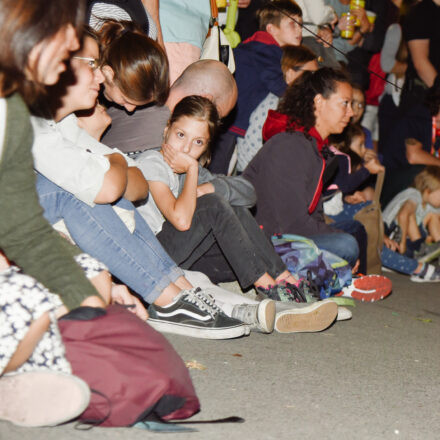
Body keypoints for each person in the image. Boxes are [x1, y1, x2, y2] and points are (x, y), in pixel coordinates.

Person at [31, 28, 248, 339]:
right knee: (78, 194)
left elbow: (137, 186)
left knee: (110, 193)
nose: (102, 76)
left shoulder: (64, 125)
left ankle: (178, 289)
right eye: (92, 64)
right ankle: (166, 297)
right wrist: (116, 164)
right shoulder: (25, 119)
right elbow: (110, 184)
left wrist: (115, 168)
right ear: (57, 63)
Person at [138, 94, 339, 332]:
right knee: (214, 205)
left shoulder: (195, 173)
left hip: (188, 258)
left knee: (233, 206)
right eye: (180, 135)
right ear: (167, 129)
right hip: (151, 256)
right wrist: (192, 169)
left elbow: (249, 193)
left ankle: (285, 281)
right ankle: (268, 289)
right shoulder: (153, 162)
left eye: (198, 142)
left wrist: (208, 185)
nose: (185, 148)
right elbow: (180, 220)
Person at [0, 0, 107, 426]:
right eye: (66, 30)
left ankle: (16, 377)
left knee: (91, 275)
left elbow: (25, 231)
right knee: (33, 304)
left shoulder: (13, 115)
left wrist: (85, 297)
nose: (71, 44)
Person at [243, 68, 365, 270]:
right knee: (346, 244)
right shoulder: (291, 145)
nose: (351, 112)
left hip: (287, 233)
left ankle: (346, 279)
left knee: (354, 229)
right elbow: (293, 224)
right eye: (345, 103)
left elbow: (313, 216)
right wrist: (339, 240)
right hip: (266, 242)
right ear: (319, 102)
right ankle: (327, 279)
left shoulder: (315, 147)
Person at [209, 0, 304, 174]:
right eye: (293, 24)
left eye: (301, 25)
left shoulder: (255, 45)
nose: (299, 30)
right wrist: (296, 92)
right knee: (219, 169)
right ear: (271, 29)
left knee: (221, 165)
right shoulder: (268, 51)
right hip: (232, 119)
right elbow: (276, 84)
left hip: (227, 114)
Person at [101, 59, 238, 153]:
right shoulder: (175, 141)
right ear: (205, 100)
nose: (213, 124)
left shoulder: (132, 99)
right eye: (216, 115)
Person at [236, 44, 319, 171]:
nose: (315, 81)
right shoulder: (276, 103)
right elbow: (251, 154)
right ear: (290, 74)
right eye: (311, 74)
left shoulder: (288, 101)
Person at [96, 19, 169, 112]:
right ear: (108, 73)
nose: (130, 109)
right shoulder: (80, 48)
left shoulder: (148, 34)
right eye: (125, 100)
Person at [383, 166, 440, 258]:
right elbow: (402, 215)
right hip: (391, 231)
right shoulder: (414, 194)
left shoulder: (429, 204)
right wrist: (402, 245)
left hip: (410, 238)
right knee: (409, 214)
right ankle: (418, 250)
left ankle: (436, 248)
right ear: (429, 190)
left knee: (434, 215)